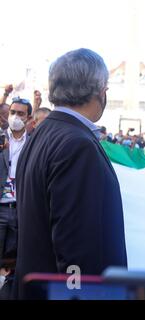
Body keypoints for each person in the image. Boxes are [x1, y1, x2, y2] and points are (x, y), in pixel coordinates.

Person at [14, 48, 127, 299]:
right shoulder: (77, 144)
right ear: (99, 89)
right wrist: (78, 293)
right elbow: (76, 246)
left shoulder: (44, 134)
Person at [0, 98, 32, 288]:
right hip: (1, 206)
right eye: (13, 112)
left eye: (21, 114)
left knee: (14, 256)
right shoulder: (1, 138)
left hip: (21, 207)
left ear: (28, 118)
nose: (15, 117)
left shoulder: (34, 142)